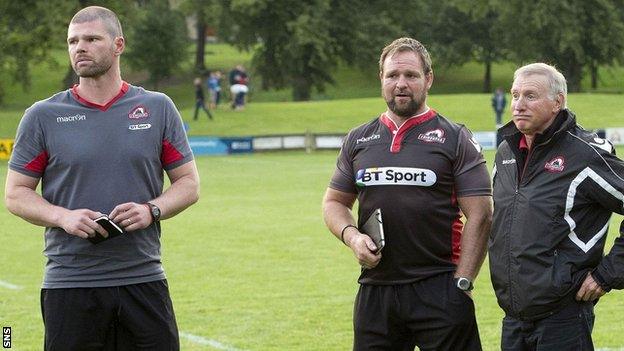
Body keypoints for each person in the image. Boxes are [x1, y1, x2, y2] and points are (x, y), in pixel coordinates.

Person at [4, 6, 200, 350]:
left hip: (143, 279)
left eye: (92, 39)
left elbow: (189, 184)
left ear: (118, 45)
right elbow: (16, 194)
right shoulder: (43, 116)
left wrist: (151, 210)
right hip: (70, 284)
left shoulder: (157, 107)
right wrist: (63, 217)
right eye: (73, 41)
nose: (80, 47)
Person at [322, 37, 492, 351]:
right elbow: (334, 202)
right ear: (381, 80)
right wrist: (352, 237)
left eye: (411, 75)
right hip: (376, 289)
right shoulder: (358, 139)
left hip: (440, 286)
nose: (401, 84)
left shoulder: (455, 137)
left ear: (428, 79)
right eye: (393, 76)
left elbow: (481, 213)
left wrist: (463, 283)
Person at [489, 62, 624, 350]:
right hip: (512, 318)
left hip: (563, 318)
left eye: (530, 96)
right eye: (515, 95)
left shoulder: (584, 154)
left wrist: (608, 273)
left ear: (557, 102)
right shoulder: (505, 154)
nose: (518, 105)